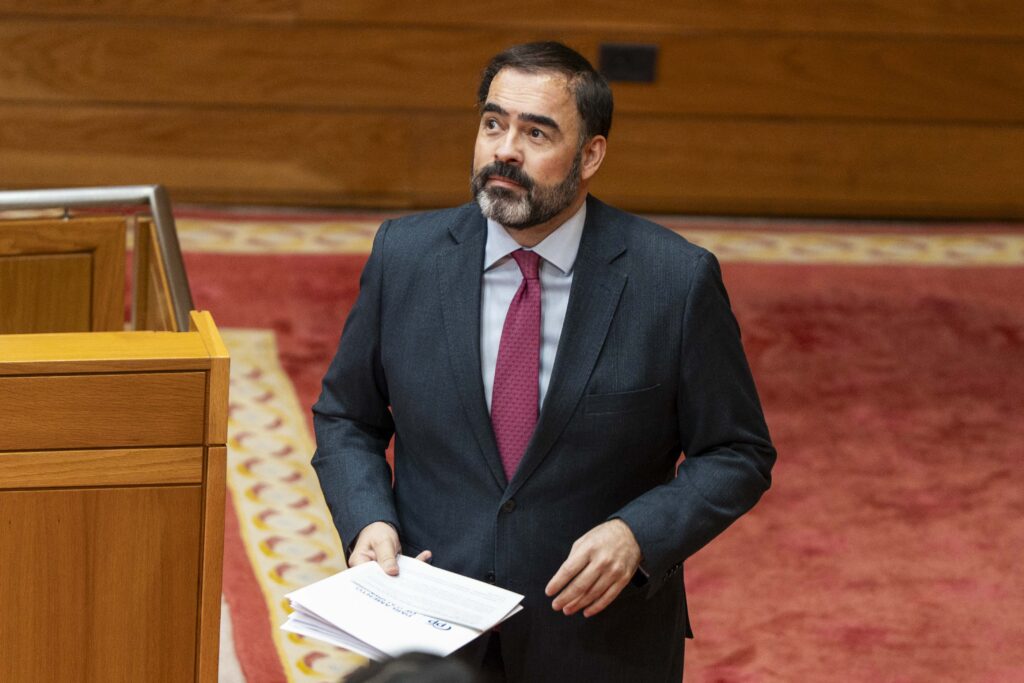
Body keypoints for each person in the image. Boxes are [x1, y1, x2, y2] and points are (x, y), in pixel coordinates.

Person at [313, 41, 776, 682]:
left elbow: (736, 452)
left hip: (597, 637)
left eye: (536, 133)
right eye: (493, 124)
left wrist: (638, 534)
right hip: (431, 631)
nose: (505, 150)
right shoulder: (406, 256)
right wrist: (367, 518)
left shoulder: (673, 280)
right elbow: (347, 417)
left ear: (590, 155)